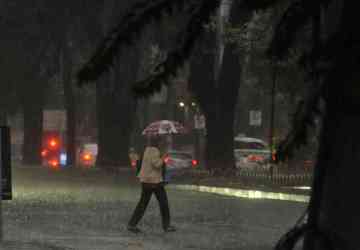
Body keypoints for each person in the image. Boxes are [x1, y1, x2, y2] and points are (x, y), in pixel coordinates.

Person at [127, 136, 176, 233]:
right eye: (162, 142)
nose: (162, 143)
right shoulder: (154, 151)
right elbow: (156, 164)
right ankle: (166, 226)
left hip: (146, 181)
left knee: (142, 204)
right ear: (158, 142)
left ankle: (132, 224)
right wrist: (164, 158)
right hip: (154, 182)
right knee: (163, 204)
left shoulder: (147, 150)